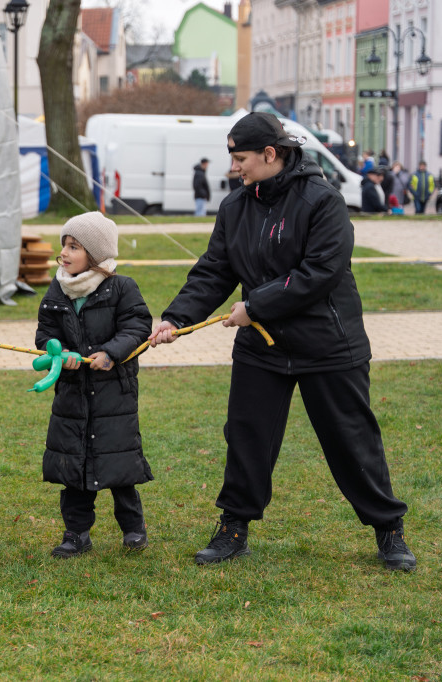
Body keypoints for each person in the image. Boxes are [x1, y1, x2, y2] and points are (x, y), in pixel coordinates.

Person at [148, 112, 415, 572]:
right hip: (262, 348)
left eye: (241, 158)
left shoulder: (322, 200)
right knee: (247, 437)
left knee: (351, 440)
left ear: (270, 154)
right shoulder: (235, 206)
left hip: (328, 344)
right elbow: (215, 270)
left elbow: (320, 272)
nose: (234, 167)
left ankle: (388, 528)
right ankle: (234, 528)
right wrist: (176, 317)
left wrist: (255, 307)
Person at [35, 211, 154, 558]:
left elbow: (137, 327)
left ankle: (133, 528)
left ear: (96, 253)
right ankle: (76, 533)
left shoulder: (122, 287)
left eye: (74, 247)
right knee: (75, 468)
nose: (64, 253)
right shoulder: (58, 289)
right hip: (72, 394)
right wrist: (59, 352)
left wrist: (112, 353)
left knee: (119, 466)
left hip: (112, 395)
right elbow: (45, 334)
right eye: (64, 245)